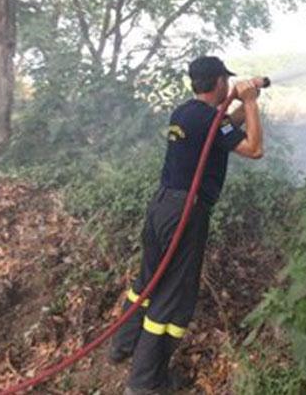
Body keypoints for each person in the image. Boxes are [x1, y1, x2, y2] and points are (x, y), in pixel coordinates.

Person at [109, 56, 264, 395]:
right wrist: (251, 103)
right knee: (172, 298)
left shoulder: (185, 114)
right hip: (185, 213)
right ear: (219, 82)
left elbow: (222, 129)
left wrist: (242, 101)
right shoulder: (209, 120)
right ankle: (145, 382)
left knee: (147, 283)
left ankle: (122, 346)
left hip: (162, 207)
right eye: (226, 81)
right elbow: (254, 149)